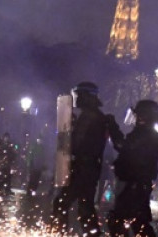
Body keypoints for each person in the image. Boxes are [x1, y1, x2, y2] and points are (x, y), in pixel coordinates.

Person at [51, 81, 119, 236]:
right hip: (89, 168)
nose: (76, 98)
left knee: (62, 203)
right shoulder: (94, 116)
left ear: (86, 96)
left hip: (83, 168)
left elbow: (74, 145)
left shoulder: (89, 117)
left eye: (78, 95)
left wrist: (66, 132)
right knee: (85, 208)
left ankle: (59, 234)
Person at [106, 99, 158, 237]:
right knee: (137, 222)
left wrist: (113, 127)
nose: (136, 117)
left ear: (144, 116)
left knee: (124, 221)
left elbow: (122, 146)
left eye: (138, 115)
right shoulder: (146, 134)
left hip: (135, 184)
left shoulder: (147, 135)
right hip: (135, 183)